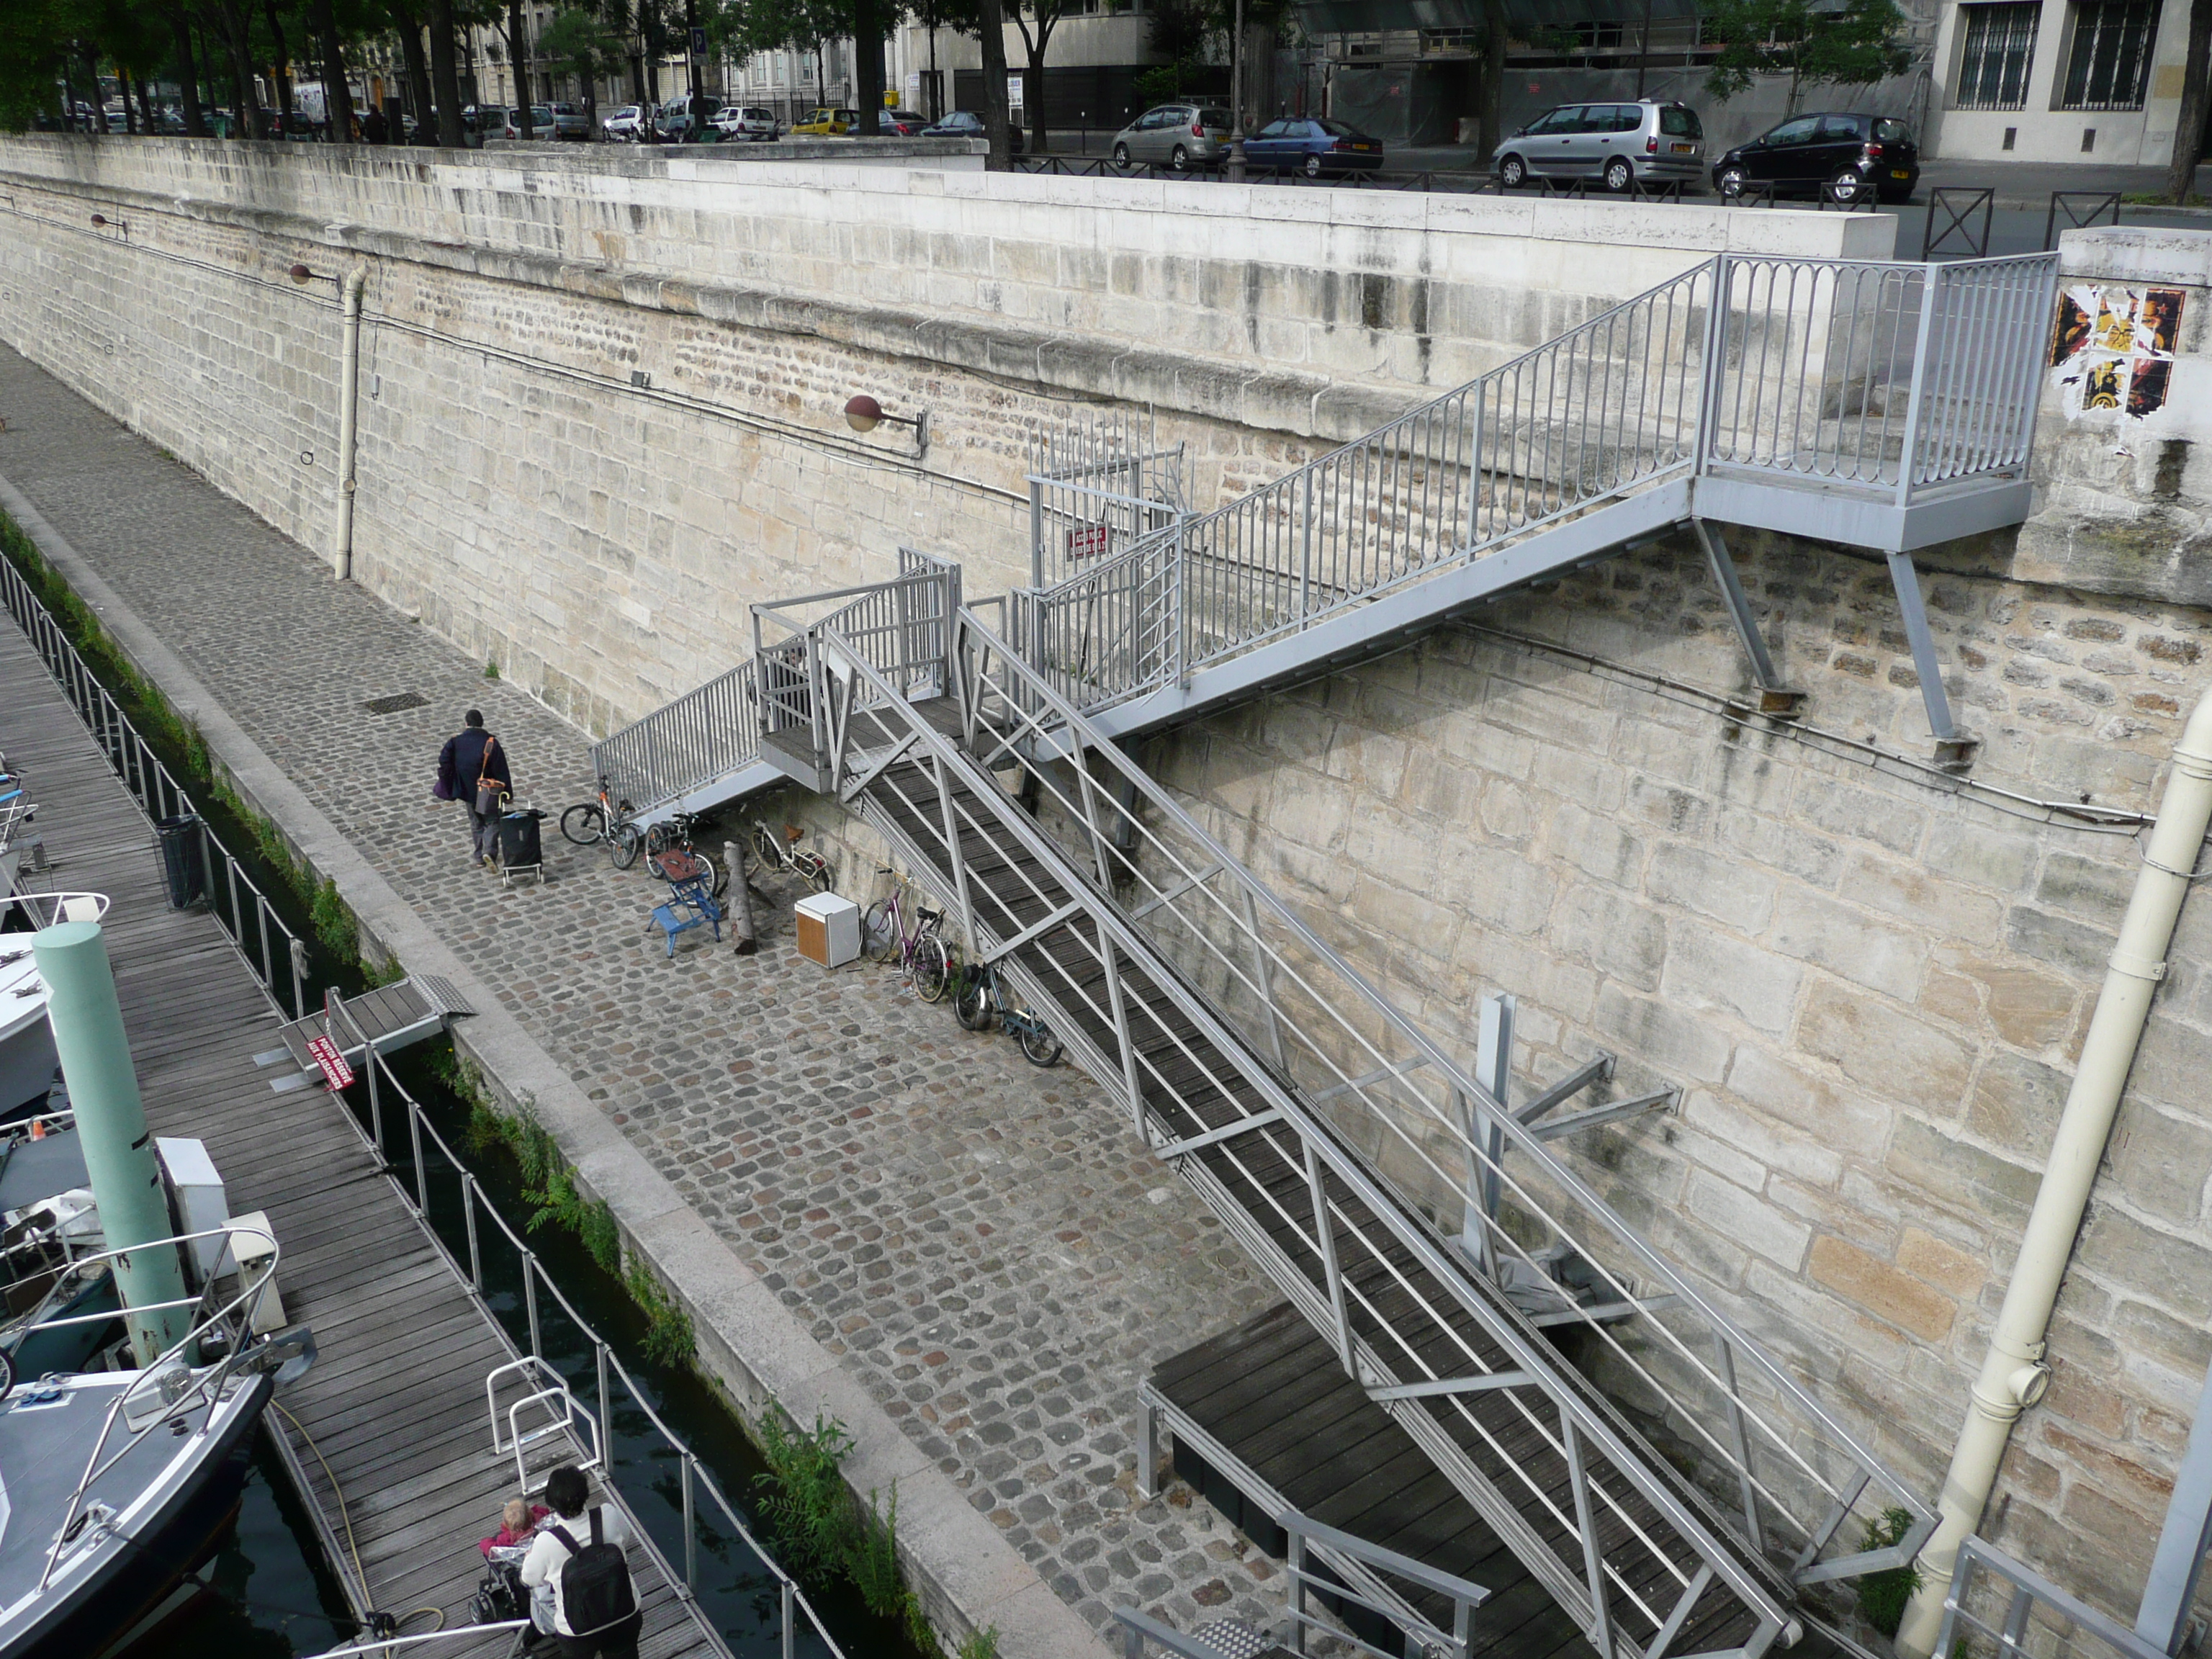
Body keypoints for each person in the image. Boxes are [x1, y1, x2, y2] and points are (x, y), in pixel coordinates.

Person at [518, 1465, 641, 1658]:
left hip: (577, 1629)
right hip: (624, 1613)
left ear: (551, 1503)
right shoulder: (609, 1514)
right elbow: (624, 1540)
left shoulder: (546, 1542)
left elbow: (530, 1579)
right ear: (586, 1494)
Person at [436, 709, 513, 869]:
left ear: (466, 724)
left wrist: (451, 778)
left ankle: (479, 856)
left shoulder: (456, 741)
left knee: (475, 822)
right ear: (482, 723)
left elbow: (444, 760)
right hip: (488, 791)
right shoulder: (491, 743)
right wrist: (508, 794)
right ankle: (489, 852)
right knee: (492, 821)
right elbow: (502, 770)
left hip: (466, 789)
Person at [480, 1496, 549, 1559]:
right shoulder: (540, 1518)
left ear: (506, 1525)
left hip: (520, 1556)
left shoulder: (507, 1538)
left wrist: (484, 1542)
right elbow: (545, 1511)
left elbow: (493, 1549)